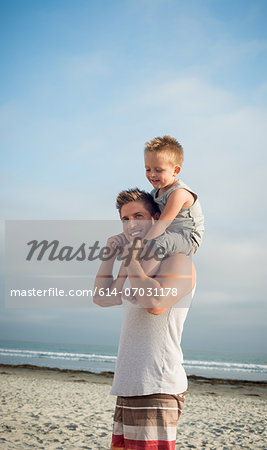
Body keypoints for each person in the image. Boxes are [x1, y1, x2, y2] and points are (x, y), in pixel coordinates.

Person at [93, 188, 196, 450]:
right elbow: (103, 298)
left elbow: (156, 304)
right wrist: (109, 256)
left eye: (139, 215)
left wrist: (132, 259)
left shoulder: (179, 259)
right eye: (125, 219)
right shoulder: (134, 264)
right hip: (128, 384)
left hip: (157, 386)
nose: (131, 225)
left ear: (157, 218)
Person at [143, 135, 204, 268]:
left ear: (175, 171)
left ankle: (141, 279)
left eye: (158, 170)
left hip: (187, 238)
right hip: (168, 234)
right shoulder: (155, 193)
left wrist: (142, 244)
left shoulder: (179, 193)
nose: (152, 174)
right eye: (148, 169)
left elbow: (162, 224)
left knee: (159, 242)